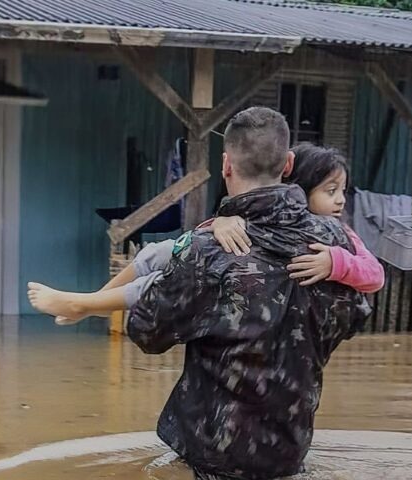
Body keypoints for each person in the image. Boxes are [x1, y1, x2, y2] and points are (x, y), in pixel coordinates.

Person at [44, 107, 370, 479]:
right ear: (288, 163)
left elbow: (147, 332)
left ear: (226, 165)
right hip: (290, 450)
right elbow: (355, 315)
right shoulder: (337, 242)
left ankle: (83, 302)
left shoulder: (208, 249)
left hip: (215, 455)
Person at [27, 144, 384, 324]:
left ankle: (84, 305)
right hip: (247, 291)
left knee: (166, 281)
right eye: (330, 190)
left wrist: (335, 262)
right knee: (160, 252)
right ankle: (95, 303)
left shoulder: (338, 236)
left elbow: (375, 275)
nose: (339, 200)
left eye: (341, 192)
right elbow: (204, 241)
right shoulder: (257, 213)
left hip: (261, 301)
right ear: (296, 183)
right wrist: (219, 223)